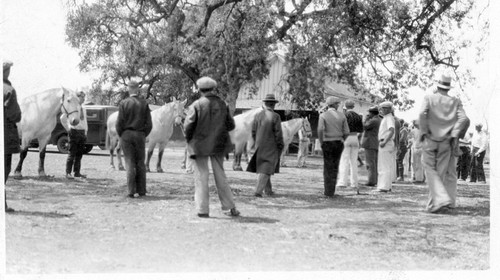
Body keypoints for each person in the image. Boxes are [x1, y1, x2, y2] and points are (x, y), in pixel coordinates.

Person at [184, 77, 240, 217]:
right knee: (220, 175)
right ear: (213, 88)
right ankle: (229, 207)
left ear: (199, 89)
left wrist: (190, 140)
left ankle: (202, 210)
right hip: (218, 145)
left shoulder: (196, 105)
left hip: (200, 146)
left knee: (201, 176)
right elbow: (231, 125)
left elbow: (188, 126)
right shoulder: (223, 104)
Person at [419, 73, 469, 213]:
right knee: (442, 171)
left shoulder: (429, 98)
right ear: (448, 87)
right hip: (447, 141)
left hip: (430, 139)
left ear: (438, 85)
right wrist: (454, 134)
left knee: (430, 169)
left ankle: (436, 203)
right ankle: (443, 202)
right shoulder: (455, 101)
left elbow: (422, 114)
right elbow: (464, 119)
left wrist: (423, 131)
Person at [116, 78, 153, 198]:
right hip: (140, 134)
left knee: (129, 162)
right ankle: (142, 190)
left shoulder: (123, 103)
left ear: (128, 88)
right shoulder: (144, 103)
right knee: (140, 163)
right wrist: (143, 134)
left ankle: (131, 191)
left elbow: (119, 123)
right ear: (138, 89)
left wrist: (122, 134)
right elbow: (149, 123)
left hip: (126, 134)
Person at [247, 94, 284, 197]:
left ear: (265, 104)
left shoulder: (258, 115)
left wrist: (256, 142)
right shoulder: (276, 116)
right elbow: (278, 133)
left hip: (259, 145)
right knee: (266, 169)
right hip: (271, 146)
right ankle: (258, 192)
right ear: (274, 105)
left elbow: (253, 132)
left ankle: (268, 190)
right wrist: (280, 145)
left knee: (264, 168)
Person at [317, 96, 349, 197]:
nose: (338, 106)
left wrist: (321, 141)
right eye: (337, 104)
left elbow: (320, 129)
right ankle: (332, 191)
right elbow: (347, 132)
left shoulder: (323, 115)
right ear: (335, 105)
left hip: (327, 142)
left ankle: (328, 191)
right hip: (338, 142)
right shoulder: (342, 116)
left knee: (328, 167)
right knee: (335, 167)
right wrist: (343, 139)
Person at [3, 60, 22, 213]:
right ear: (7, 71)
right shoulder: (8, 89)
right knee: (4, 169)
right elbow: (15, 115)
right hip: (5, 136)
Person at [337, 99, 363, 193]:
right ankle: (354, 183)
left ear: (345, 106)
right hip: (355, 137)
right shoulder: (358, 116)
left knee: (344, 160)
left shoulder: (344, 115)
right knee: (354, 162)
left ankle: (342, 182)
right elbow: (361, 130)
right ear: (353, 106)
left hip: (346, 138)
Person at [61, 90, 88, 179]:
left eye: (84, 97)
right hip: (74, 131)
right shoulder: (73, 107)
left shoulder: (83, 108)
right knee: (72, 153)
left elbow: (85, 121)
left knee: (79, 154)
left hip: (82, 132)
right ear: (78, 97)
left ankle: (77, 172)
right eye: (82, 97)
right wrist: (68, 128)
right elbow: (62, 118)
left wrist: (86, 131)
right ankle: (68, 173)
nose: (83, 98)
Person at [376, 101, 396, 192]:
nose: (381, 110)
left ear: (388, 109)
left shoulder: (389, 118)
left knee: (384, 165)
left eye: (383, 108)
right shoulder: (387, 118)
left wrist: (384, 141)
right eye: (381, 108)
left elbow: (391, 130)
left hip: (386, 143)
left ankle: (384, 186)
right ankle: (387, 186)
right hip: (386, 142)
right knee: (386, 165)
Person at [361, 105, 381, 187]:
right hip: (375, 142)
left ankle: (371, 181)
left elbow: (364, 126)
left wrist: (365, 119)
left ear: (371, 113)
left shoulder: (373, 120)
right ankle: (374, 179)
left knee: (370, 163)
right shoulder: (379, 119)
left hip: (370, 143)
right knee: (374, 163)